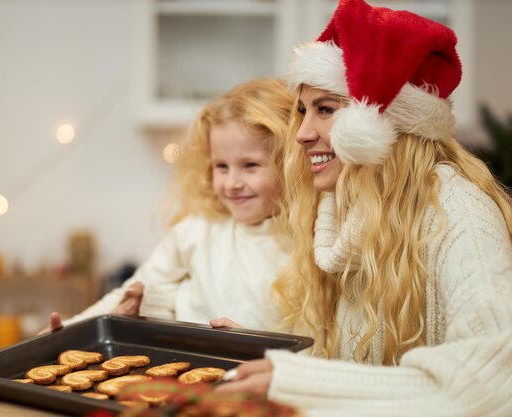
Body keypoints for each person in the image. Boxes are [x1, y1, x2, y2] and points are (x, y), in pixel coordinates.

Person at [216, 1, 512, 416]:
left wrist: (301, 382)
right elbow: (360, 375)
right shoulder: (343, 211)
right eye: (303, 111)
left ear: (381, 122)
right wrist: (270, 353)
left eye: (326, 109)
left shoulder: (459, 211)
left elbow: (498, 383)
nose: (301, 134)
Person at [43, 77, 295, 333]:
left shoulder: (306, 247)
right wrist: (69, 331)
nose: (231, 183)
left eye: (250, 165)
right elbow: (129, 295)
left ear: (291, 164)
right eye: (221, 166)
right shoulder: (198, 229)